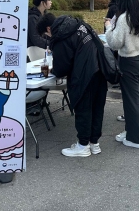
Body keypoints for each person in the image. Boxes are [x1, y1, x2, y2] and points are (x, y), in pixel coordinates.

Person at [38, 14, 107, 157]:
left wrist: (54, 70)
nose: (49, 37)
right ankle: (94, 144)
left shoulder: (61, 36)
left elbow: (62, 68)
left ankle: (83, 146)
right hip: (100, 70)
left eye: (46, 34)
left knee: (84, 109)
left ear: (49, 28)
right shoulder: (79, 25)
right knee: (96, 108)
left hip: (84, 75)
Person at [105, 0, 139, 149]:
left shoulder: (124, 18)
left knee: (131, 102)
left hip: (129, 62)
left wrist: (109, 27)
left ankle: (135, 138)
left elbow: (115, 43)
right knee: (137, 99)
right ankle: (131, 131)